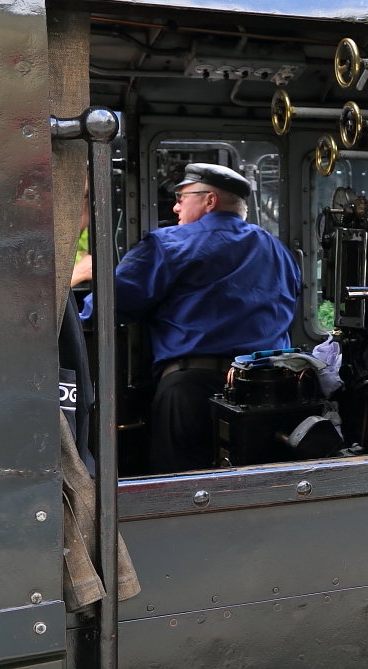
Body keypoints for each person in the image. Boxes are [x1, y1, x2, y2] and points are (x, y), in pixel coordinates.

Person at [85, 163, 301, 473]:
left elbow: (106, 306)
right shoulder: (280, 252)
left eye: (181, 198)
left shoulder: (170, 243)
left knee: (181, 489)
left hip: (193, 390)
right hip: (269, 394)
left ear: (210, 200)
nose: (175, 207)